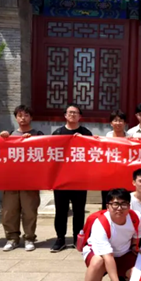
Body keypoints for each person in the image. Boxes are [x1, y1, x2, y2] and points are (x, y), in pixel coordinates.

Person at [79, 188, 141, 281]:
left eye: (124, 204)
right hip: (99, 254)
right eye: (115, 204)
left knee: (139, 273)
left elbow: (136, 236)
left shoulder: (136, 217)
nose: (119, 208)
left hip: (124, 252)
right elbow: (107, 256)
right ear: (108, 206)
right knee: (98, 262)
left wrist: (134, 247)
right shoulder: (100, 223)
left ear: (129, 206)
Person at [0, 104, 43, 251]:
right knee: (9, 211)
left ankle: (29, 238)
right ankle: (12, 239)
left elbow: (45, 153)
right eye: (20, 115)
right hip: (11, 180)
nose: (23, 118)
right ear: (16, 118)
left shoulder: (38, 134)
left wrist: (32, 141)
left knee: (29, 211)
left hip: (30, 180)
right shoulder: (9, 135)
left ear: (31, 117)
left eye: (26, 115)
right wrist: (1, 139)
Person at [51, 103, 93, 252]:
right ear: (65, 115)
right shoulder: (57, 133)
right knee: (60, 211)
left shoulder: (86, 133)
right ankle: (60, 238)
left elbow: (93, 152)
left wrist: (84, 140)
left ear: (80, 116)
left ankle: (77, 238)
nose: (72, 115)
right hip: (61, 180)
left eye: (75, 113)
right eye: (70, 112)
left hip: (79, 179)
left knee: (79, 211)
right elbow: (51, 156)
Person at [101, 110, 128, 209]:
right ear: (111, 123)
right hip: (108, 176)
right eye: (115, 120)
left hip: (125, 176)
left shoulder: (131, 139)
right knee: (108, 202)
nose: (118, 123)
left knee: (124, 201)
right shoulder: (104, 139)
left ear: (125, 123)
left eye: (120, 120)